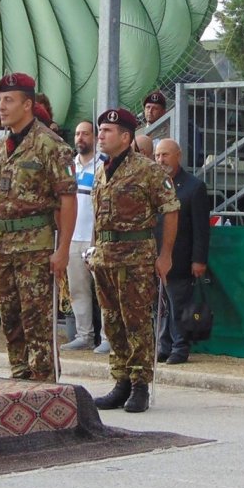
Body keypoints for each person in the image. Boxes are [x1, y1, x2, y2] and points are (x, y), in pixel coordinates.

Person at [0, 72, 76, 382]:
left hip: (35, 246)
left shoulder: (51, 145)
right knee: (10, 319)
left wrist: (62, 250)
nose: (1, 107)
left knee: (37, 320)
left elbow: (67, 200)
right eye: (0, 101)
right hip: (2, 245)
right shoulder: (2, 145)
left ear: (28, 104)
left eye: (8, 100)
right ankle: (19, 375)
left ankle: (44, 384)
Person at [89, 108, 179, 413]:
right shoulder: (101, 170)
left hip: (136, 258)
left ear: (126, 137)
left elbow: (170, 209)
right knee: (111, 322)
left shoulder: (148, 170)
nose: (100, 135)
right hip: (105, 256)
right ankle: (121, 381)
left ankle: (141, 385)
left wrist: (165, 254)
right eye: (100, 130)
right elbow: (98, 216)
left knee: (136, 322)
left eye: (108, 131)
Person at [153, 137, 209, 365]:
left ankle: (180, 347)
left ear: (178, 156)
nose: (160, 159)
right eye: (157, 155)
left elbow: (201, 228)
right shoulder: (153, 184)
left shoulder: (194, 187)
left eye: (165, 154)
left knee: (179, 305)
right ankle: (164, 346)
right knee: (161, 307)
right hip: (155, 258)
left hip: (180, 259)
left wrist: (199, 260)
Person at [63, 121, 99, 351]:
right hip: (73, 236)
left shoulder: (103, 165)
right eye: (77, 134)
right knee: (78, 289)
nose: (80, 138)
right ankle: (84, 335)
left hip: (93, 237)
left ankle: (107, 338)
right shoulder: (68, 166)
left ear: (94, 137)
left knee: (102, 291)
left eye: (85, 133)